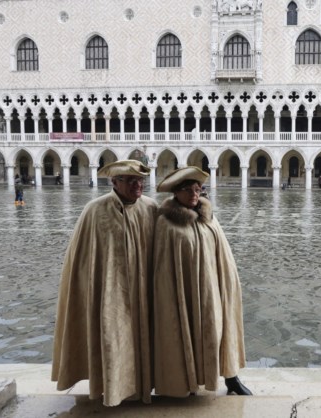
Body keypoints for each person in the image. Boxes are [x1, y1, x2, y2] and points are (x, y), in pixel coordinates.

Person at [51, 160, 158, 407]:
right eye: (130, 180)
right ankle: (111, 389)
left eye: (140, 180)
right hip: (108, 293)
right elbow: (81, 260)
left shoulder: (151, 208)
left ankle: (141, 386)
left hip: (142, 291)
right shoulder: (94, 210)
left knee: (142, 338)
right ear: (114, 182)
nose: (137, 185)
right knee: (111, 339)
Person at [153, 166, 252, 398]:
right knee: (187, 332)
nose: (194, 195)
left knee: (218, 330)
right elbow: (163, 268)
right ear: (176, 192)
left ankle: (231, 377)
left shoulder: (209, 218)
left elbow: (223, 255)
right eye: (188, 190)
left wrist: (227, 284)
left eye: (198, 189)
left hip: (212, 289)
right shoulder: (166, 223)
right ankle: (188, 381)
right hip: (184, 291)